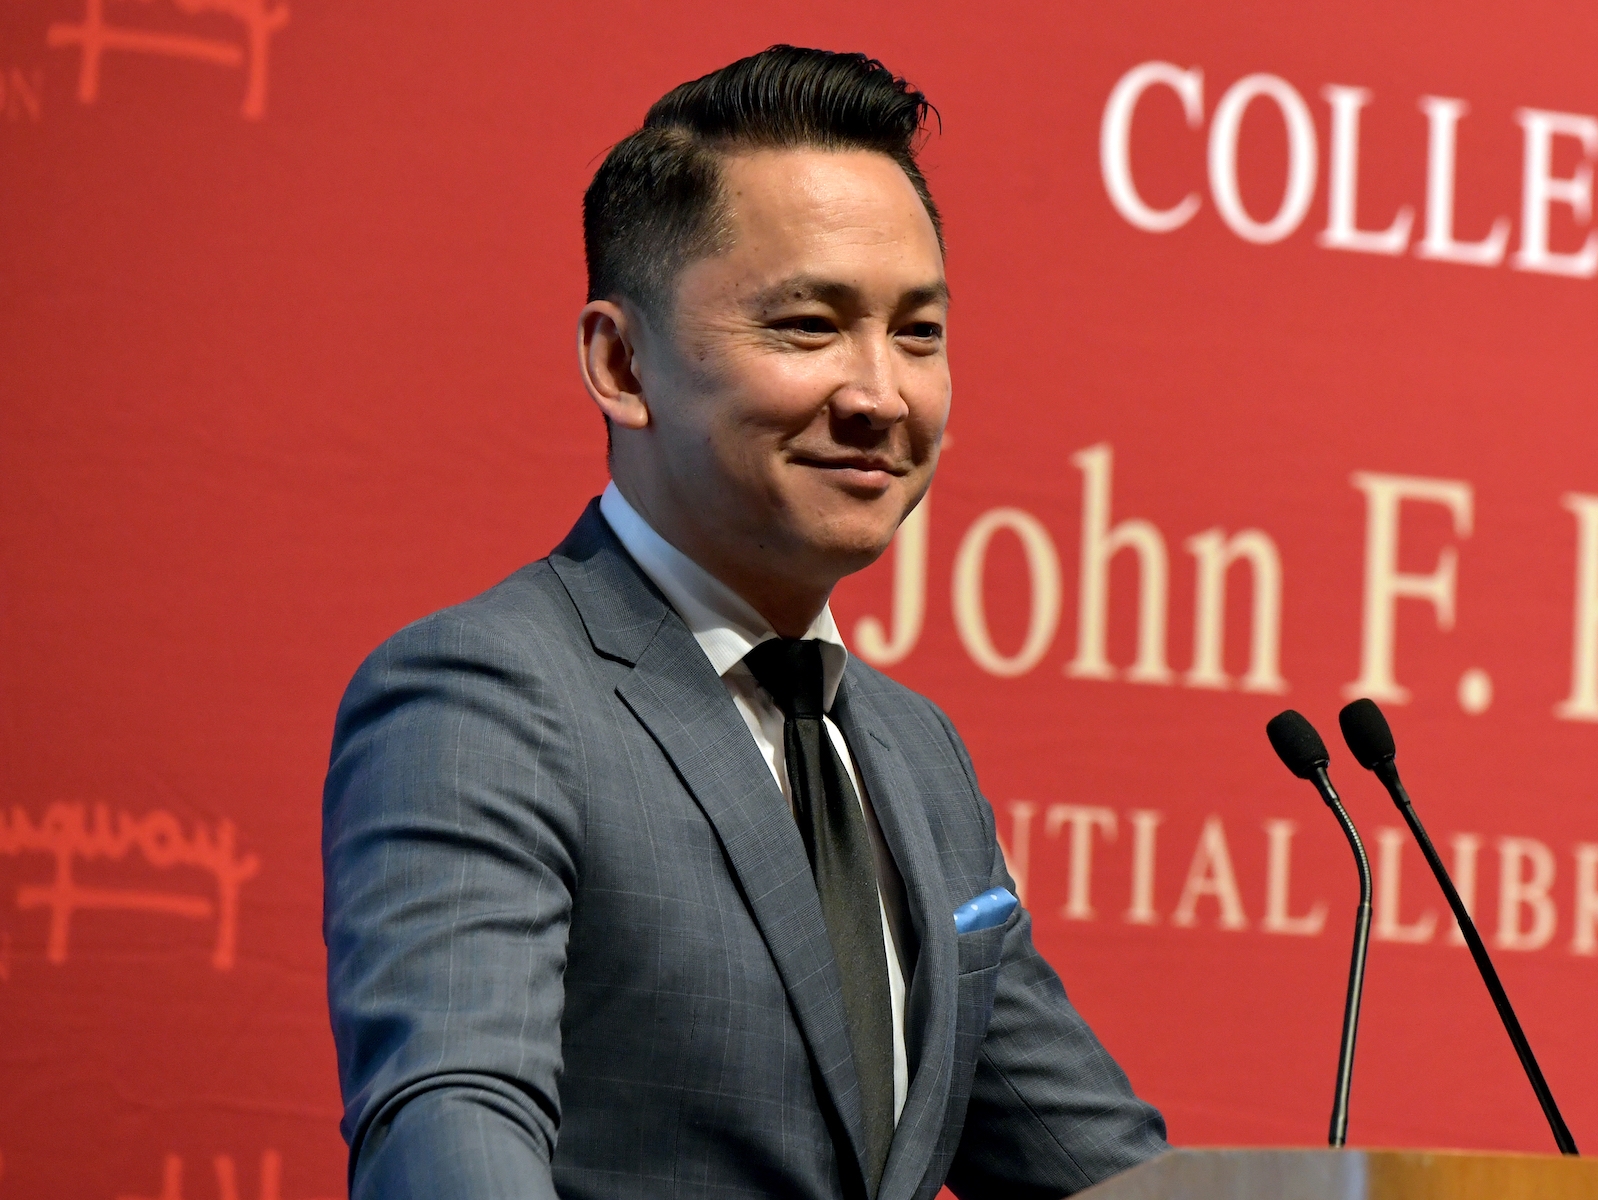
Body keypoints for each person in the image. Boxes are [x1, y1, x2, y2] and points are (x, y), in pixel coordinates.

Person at [321, 45, 1169, 1200]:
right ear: (622, 363)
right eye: (810, 325)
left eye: (918, 333)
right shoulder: (485, 695)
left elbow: (1102, 1172)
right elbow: (452, 1129)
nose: (880, 395)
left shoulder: (919, 758)